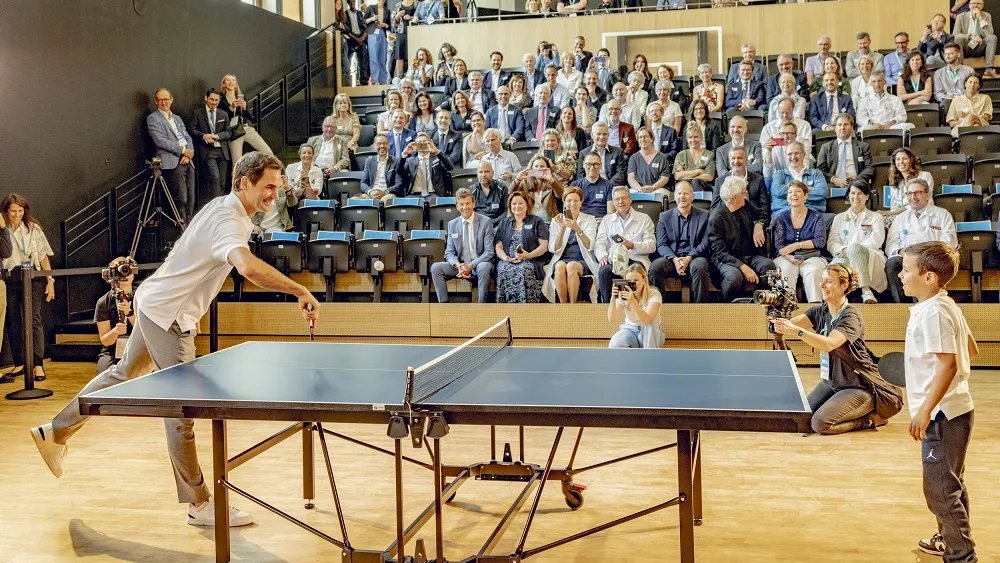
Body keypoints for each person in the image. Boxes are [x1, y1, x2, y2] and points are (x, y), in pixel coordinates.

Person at [31, 152, 321, 528]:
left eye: (277, 188)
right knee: (182, 411)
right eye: (268, 187)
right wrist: (300, 291)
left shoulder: (225, 209)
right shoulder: (227, 220)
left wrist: (190, 313)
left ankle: (55, 431)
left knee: (123, 375)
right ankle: (199, 503)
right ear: (244, 182)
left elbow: (191, 261)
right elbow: (248, 267)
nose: (273, 195)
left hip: (161, 306)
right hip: (165, 314)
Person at [900, 242, 980, 562]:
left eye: (907, 270)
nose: (901, 275)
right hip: (957, 409)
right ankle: (948, 539)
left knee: (939, 491)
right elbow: (970, 350)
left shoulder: (933, 312)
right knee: (951, 482)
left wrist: (923, 410)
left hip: (942, 415)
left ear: (929, 277)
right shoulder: (946, 305)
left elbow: (949, 363)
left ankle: (962, 556)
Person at [769, 263, 900, 434]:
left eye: (828, 281)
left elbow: (829, 343)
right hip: (831, 382)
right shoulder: (820, 310)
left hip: (858, 386)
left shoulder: (851, 316)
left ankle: (869, 419)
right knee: (801, 419)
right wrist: (774, 313)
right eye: (822, 280)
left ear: (844, 285)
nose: (822, 285)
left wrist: (796, 331)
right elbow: (786, 326)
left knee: (820, 424)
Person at [2, 194, 55, 382]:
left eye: (20, 210)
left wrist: (50, 280)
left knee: (34, 319)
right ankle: (20, 362)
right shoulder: (3, 229)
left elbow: (43, 256)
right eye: (13, 211)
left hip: (31, 276)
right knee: (12, 320)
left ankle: (38, 364)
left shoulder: (33, 229)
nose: (17, 214)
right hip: (8, 277)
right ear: (6, 211)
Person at [885, 178, 958, 302]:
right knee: (892, 263)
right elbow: (891, 244)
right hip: (906, 257)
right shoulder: (900, 218)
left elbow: (950, 242)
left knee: (920, 265)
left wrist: (926, 253)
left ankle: (923, 303)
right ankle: (901, 305)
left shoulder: (942, 214)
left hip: (931, 257)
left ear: (927, 195)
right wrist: (903, 252)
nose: (913, 196)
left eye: (917, 192)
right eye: (909, 193)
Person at [708, 176, 776, 302]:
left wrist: (758, 225)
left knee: (768, 266)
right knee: (734, 277)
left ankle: (761, 302)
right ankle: (728, 307)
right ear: (734, 197)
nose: (746, 195)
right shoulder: (716, 218)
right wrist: (743, 267)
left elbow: (762, 213)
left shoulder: (745, 205)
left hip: (750, 255)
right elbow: (719, 252)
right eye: (744, 192)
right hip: (728, 260)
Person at [648, 181, 711, 303]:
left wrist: (689, 257)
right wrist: (675, 259)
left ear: (693, 196)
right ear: (674, 196)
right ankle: (658, 308)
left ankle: (702, 310)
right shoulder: (664, 216)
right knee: (655, 268)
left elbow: (705, 243)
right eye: (679, 193)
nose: (682, 196)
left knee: (700, 266)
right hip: (672, 258)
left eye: (686, 193)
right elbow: (661, 244)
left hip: (694, 257)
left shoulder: (705, 215)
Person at [430, 188, 495, 302]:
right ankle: (444, 306)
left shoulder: (486, 222)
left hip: (478, 264)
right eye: (461, 204)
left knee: (484, 267)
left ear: (473, 203)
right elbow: (449, 252)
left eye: (468, 203)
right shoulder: (452, 224)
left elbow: (489, 252)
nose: (465, 207)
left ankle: (482, 307)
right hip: (460, 266)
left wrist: (471, 265)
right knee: (436, 268)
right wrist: (458, 265)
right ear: (457, 206)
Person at [594, 187, 656, 302]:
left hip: (636, 258)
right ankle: (609, 307)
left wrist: (632, 245)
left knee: (635, 272)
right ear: (613, 202)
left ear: (630, 199)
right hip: (614, 259)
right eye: (617, 199)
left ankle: (637, 307)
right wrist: (603, 256)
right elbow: (600, 243)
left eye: (624, 198)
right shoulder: (607, 220)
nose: (620, 202)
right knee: (604, 271)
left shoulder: (644, 218)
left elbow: (651, 245)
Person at [828, 184, 887, 303]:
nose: (856, 197)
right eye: (853, 193)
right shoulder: (839, 218)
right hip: (843, 256)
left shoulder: (876, 217)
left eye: (860, 193)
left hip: (870, 254)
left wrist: (852, 249)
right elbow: (832, 243)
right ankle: (865, 291)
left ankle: (862, 291)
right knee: (841, 263)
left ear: (867, 196)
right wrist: (844, 249)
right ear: (848, 196)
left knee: (852, 251)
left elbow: (876, 240)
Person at [772, 181, 828, 303]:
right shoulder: (781, 217)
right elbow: (779, 244)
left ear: (805, 196)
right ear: (787, 198)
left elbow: (820, 241)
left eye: (798, 191)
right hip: (787, 257)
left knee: (813, 271)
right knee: (785, 270)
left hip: (811, 256)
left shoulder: (816, 216)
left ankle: (815, 307)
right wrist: (789, 257)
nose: (794, 195)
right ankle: (787, 307)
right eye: (790, 192)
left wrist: (797, 245)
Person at [543, 186, 600, 303]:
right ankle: (564, 306)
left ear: (581, 203)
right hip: (561, 259)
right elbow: (553, 248)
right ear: (564, 202)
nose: (572, 204)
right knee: (560, 266)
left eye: (576, 201)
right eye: (569, 200)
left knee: (571, 266)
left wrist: (577, 229)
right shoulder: (556, 220)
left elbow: (590, 246)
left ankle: (572, 306)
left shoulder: (590, 219)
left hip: (583, 260)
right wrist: (563, 228)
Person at [147, 88, 196, 222]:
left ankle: (190, 228)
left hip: (188, 161)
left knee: (191, 198)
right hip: (172, 162)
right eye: (160, 100)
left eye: (166, 99)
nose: (164, 102)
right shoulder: (153, 118)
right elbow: (160, 140)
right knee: (181, 199)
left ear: (171, 100)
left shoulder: (177, 118)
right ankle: (182, 231)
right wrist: (182, 151)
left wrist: (188, 153)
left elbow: (187, 138)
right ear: (156, 102)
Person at [494, 192, 549, 303]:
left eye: (520, 203)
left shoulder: (537, 221)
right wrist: (505, 258)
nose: (517, 206)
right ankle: (506, 308)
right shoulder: (504, 223)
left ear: (527, 205)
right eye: (514, 204)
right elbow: (498, 246)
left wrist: (528, 255)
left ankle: (526, 306)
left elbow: (544, 246)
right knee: (502, 267)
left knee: (523, 269)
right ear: (510, 206)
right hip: (509, 260)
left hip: (532, 260)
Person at [93, 257, 135, 375]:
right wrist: (116, 331)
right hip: (112, 350)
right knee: (103, 377)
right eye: (120, 269)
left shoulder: (142, 297)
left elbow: (145, 331)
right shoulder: (103, 302)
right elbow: (105, 341)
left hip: (137, 348)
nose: (125, 273)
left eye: (127, 268)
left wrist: (129, 313)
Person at [188, 88, 233, 199]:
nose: (214, 102)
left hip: (222, 152)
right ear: (206, 98)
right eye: (211, 99)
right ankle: (216, 208)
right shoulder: (197, 113)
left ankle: (221, 206)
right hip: (207, 151)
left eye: (216, 100)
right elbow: (191, 130)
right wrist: (204, 136)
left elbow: (228, 132)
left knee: (222, 182)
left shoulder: (224, 114)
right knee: (215, 178)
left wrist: (216, 136)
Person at [607, 264, 664, 349]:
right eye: (629, 280)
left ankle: (650, 358)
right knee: (615, 343)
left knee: (651, 322)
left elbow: (647, 320)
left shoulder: (654, 294)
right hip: (630, 330)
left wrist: (633, 302)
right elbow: (611, 319)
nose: (632, 283)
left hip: (651, 333)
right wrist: (613, 298)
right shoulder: (623, 294)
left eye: (636, 280)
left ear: (644, 280)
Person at [220, 75, 274, 162]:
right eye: (228, 80)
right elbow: (222, 118)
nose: (231, 82)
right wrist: (232, 107)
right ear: (223, 84)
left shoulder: (241, 97)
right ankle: (238, 176)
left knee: (268, 153)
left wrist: (245, 108)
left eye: (233, 80)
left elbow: (250, 117)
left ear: (236, 84)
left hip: (247, 128)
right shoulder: (221, 100)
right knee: (237, 162)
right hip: (234, 132)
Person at [816, 113, 875, 190]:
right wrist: (833, 179)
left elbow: (869, 168)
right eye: (839, 125)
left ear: (852, 127)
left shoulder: (863, 146)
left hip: (857, 184)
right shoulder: (826, 147)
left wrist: (857, 180)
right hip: (833, 184)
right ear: (835, 128)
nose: (842, 127)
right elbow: (820, 170)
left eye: (846, 124)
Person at [770, 141, 827, 213]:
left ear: (804, 155)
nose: (793, 157)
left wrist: (791, 193)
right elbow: (777, 191)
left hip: (811, 214)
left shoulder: (816, 173)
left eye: (796, 153)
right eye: (789, 154)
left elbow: (821, 193)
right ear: (785, 156)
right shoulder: (779, 174)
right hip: (784, 213)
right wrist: (806, 189)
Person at [392, 132, 454, 198]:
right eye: (419, 143)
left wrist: (437, 152)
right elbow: (399, 171)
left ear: (431, 142)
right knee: (407, 206)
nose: (422, 145)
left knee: (435, 204)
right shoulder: (410, 161)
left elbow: (450, 167)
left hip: (434, 194)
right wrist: (404, 155)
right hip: (414, 194)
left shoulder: (437, 158)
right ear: (415, 144)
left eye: (425, 142)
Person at [882, 147, 935, 220]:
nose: (901, 162)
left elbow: (921, 202)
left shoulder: (924, 176)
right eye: (898, 159)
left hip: (922, 214)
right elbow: (894, 206)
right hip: (902, 216)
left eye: (904, 159)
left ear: (911, 161)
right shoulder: (896, 181)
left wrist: (893, 212)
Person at [953, 0, 1000, 78]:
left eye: (978, 3)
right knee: (958, 39)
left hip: (980, 47)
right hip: (965, 47)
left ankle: (989, 70)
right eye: (973, 3)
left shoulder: (986, 16)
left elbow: (989, 34)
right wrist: (970, 36)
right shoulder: (961, 16)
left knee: (992, 38)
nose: (976, 5)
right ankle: (960, 69)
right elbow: (955, 35)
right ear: (969, 5)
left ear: (982, 6)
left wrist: (980, 18)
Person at [511, 156, 565, 222]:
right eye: (536, 166)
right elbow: (511, 193)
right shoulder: (525, 182)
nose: (538, 169)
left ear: (547, 168)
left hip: (549, 220)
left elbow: (561, 194)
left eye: (542, 166)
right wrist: (517, 179)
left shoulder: (552, 181)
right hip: (529, 220)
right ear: (531, 168)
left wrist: (551, 179)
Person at [577, 121, 627, 187]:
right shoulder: (583, 153)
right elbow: (580, 176)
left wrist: (606, 187)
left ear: (608, 135)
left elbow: (620, 174)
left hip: (611, 188)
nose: (601, 137)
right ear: (592, 135)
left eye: (604, 134)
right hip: (590, 188)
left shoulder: (618, 152)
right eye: (598, 134)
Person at [627, 127, 671, 197]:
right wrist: (640, 189)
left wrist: (653, 187)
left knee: (663, 194)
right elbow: (631, 178)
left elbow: (664, 178)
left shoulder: (662, 157)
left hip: (657, 189)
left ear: (652, 139)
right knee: (628, 194)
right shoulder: (633, 158)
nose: (643, 139)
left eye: (645, 136)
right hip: (638, 189)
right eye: (640, 137)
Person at [571, 152, 614, 219]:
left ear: (601, 165)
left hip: (601, 221)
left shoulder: (609, 186)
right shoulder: (575, 185)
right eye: (588, 164)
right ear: (583, 165)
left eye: (596, 164)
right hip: (580, 221)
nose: (592, 167)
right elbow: (570, 208)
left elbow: (610, 212)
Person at [673, 125, 715, 193]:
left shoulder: (709, 155)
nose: (693, 140)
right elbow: (677, 176)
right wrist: (697, 171)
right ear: (687, 139)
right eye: (690, 137)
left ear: (701, 138)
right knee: (686, 183)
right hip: (684, 189)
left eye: (696, 137)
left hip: (704, 189)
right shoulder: (680, 155)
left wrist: (684, 173)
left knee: (695, 182)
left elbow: (709, 177)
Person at [359, 134, 397, 203]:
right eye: (379, 144)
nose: (382, 146)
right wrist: (370, 192)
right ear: (374, 146)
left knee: (384, 201)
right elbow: (363, 182)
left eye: (384, 143)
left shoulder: (396, 161)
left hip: (387, 193)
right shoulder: (369, 161)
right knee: (354, 200)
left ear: (388, 145)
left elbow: (399, 184)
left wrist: (385, 192)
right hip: (372, 193)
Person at [364, 0, 392, 84]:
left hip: (382, 33)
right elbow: (363, 21)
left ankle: (383, 80)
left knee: (382, 57)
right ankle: (375, 80)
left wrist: (385, 25)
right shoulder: (371, 8)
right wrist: (372, 19)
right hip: (373, 33)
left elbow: (389, 25)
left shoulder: (387, 11)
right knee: (374, 58)